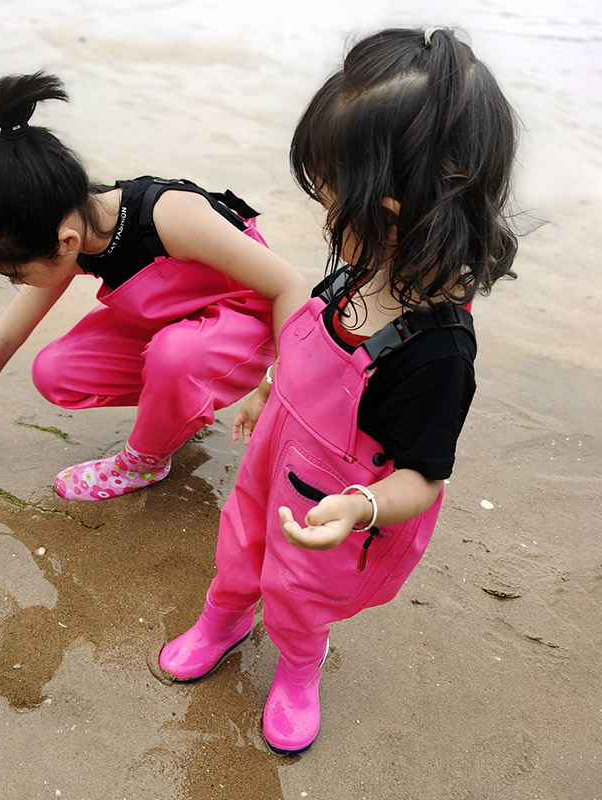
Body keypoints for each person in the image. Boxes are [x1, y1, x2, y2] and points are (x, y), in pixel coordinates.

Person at [158, 27, 519, 755]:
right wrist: (266, 388)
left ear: (388, 210)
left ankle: (298, 664)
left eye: (331, 198)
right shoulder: (357, 273)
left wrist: (358, 507)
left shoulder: (439, 350)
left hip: (337, 501)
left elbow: (423, 477)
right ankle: (224, 618)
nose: (325, 215)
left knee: (299, 593)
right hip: (274, 456)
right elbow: (306, 352)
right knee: (238, 543)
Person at [0, 73, 309, 500]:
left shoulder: (168, 217)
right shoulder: (72, 233)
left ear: (64, 243)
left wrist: (275, 385)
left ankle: (143, 463)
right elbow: (7, 334)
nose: (16, 284)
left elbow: (290, 285)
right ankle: (177, 409)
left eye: (17, 274)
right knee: (56, 372)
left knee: (174, 356)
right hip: (178, 329)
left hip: (252, 325)